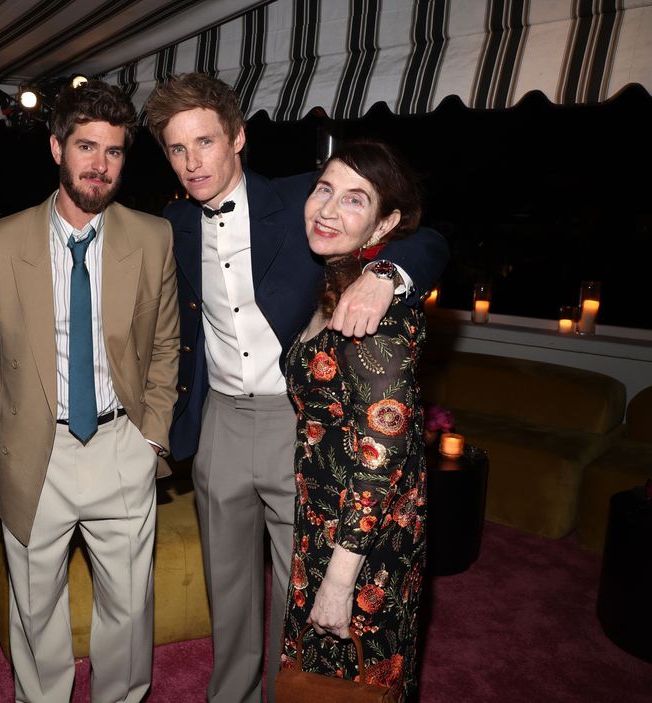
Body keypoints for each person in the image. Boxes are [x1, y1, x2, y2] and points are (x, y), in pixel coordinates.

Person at [144, 73, 447, 703]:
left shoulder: (307, 201)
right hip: (220, 424)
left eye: (205, 142)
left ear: (238, 138)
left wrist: (386, 275)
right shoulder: (169, 223)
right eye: (177, 148)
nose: (193, 162)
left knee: (300, 589)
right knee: (225, 587)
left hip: (299, 424)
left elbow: (429, 238)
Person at [0, 81, 178, 702]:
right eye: (86, 146)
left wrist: (151, 437)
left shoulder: (152, 238)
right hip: (36, 452)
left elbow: (167, 347)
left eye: (114, 151)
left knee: (129, 609)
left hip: (121, 443)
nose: (99, 163)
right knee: (35, 613)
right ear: (56, 147)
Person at [281, 139, 428, 701]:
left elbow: (382, 454)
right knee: (319, 679)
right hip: (325, 521)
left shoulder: (378, 316)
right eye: (324, 189)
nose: (326, 209)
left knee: (356, 682)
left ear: (383, 223)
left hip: (362, 542)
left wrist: (340, 583)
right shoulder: (339, 282)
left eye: (353, 199)